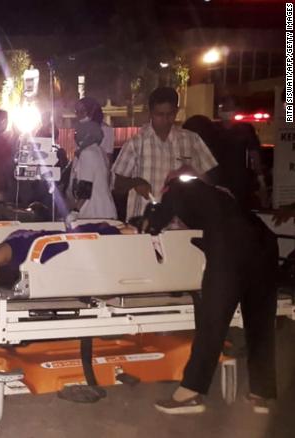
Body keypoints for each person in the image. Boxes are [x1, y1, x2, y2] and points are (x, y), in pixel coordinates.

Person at [144, 169, 278, 415]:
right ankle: (263, 393)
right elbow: (221, 221)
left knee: (212, 323)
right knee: (260, 324)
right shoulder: (220, 194)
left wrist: (147, 222)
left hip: (231, 250)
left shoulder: (175, 191)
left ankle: (191, 393)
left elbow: (155, 222)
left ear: (167, 185)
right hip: (266, 244)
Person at [112, 87, 218, 220]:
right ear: (150, 113)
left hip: (182, 224)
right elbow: (117, 185)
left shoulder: (192, 140)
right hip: (144, 222)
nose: (165, 120)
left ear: (176, 111)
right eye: (159, 114)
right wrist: (135, 182)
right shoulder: (136, 143)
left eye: (170, 114)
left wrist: (193, 172)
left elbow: (212, 182)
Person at [0, 222, 135, 277]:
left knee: (20, 241)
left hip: (61, 245)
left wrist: (133, 230)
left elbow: (131, 234)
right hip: (61, 241)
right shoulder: (108, 228)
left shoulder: (109, 232)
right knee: (17, 241)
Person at [67, 111, 117, 219]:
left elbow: (86, 187)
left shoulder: (88, 154)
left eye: (77, 133)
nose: (75, 137)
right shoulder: (100, 152)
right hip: (104, 211)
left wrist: (74, 212)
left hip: (93, 213)